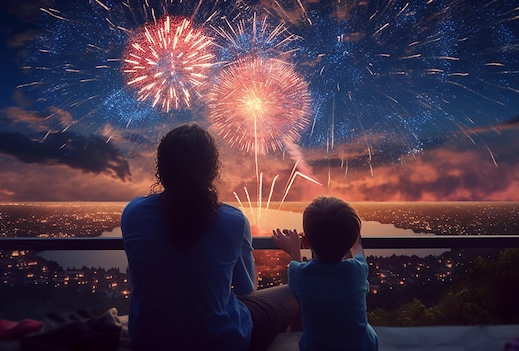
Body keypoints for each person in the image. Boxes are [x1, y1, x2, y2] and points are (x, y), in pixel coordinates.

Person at [121, 123, 298, 351]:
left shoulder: (133, 214)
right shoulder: (233, 220)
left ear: (162, 168)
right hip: (222, 340)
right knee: (296, 291)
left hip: (148, 339)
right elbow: (246, 290)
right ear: (211, 170)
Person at [272, 196, 378, 351]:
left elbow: (296, 268)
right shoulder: (358, 270)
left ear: (306, 241)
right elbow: (358, 250)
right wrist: (355, 239)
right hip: (361, 347)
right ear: (353, 238)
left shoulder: (299, 273)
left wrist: (294, 250)